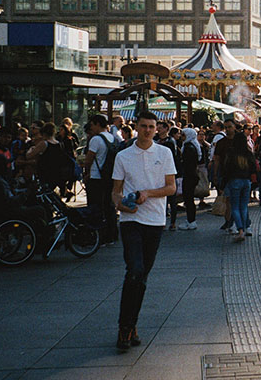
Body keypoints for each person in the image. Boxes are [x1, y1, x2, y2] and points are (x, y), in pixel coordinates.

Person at [110, 111, 177, 351]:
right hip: (131, 220)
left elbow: (171, 188)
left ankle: (132, 323)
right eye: (144, 126)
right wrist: (119, 203)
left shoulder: (165, 153)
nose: (148, 130)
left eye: (152, 126)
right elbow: (116, 190)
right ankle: (124, 328)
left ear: (157, 128)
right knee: (134, 269)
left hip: (155, 221)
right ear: (136, 127)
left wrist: (148, 193)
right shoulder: (123, 156)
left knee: (142, 275)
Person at [84, 114, 119, 245]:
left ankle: (97, 234)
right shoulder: (113, 138)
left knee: (95, 207)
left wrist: (86, 173)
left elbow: (88, 160)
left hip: (96, 177)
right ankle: (111, 234)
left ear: (97, 124)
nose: (91, 127)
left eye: (92, 124)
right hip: (109, 176)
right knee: (109, 206)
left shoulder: (96, 139)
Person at [223, 132, 255, 241]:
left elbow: (226, 169)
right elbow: (254, 168)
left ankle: (240, 230)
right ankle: (245, 228)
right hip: (246, 181)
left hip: (234, 181)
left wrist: (222, 184)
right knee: (244, 206)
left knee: (235, 207)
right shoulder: (248, 153)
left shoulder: (231, 152)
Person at [178, 128, 201, 230]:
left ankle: (191, 220)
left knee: (189, 199)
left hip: (189, 176)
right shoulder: (193, 146)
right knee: (189, 199)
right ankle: (191, 220)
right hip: (192, 175)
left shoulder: (188, 147)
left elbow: (187, 163)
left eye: (183, 135)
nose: (181, 137)